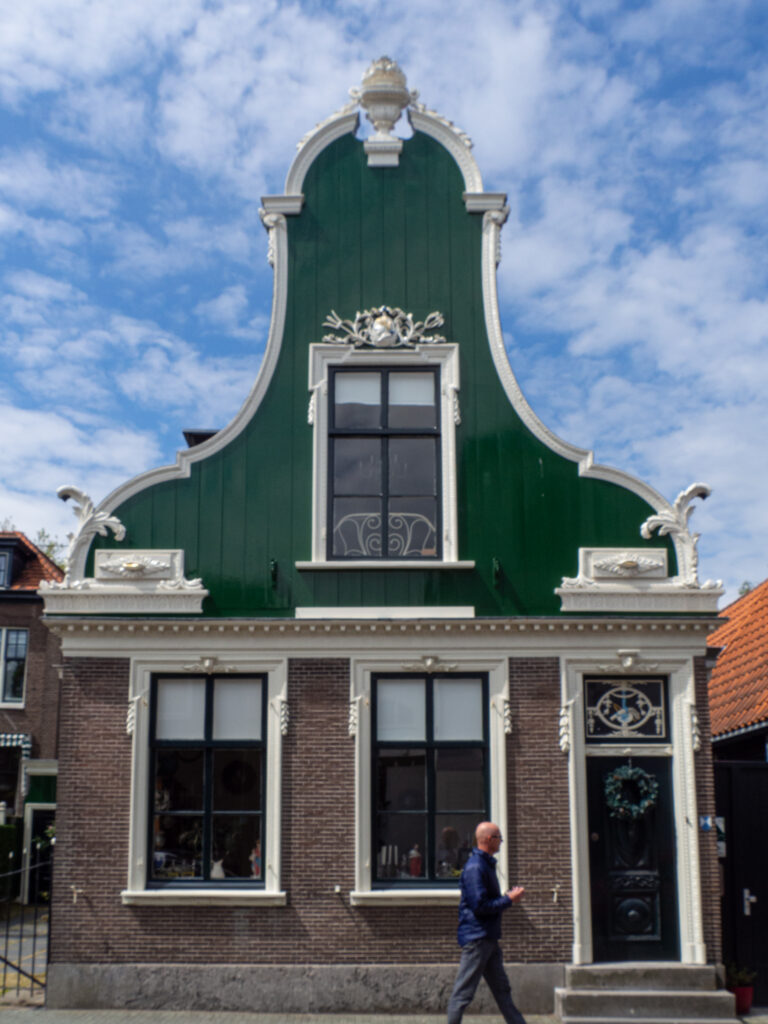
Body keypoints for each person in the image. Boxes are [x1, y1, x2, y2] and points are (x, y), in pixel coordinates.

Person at [446, 821, 527, 1024]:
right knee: (462, 994)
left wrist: (505, 899)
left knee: (502, 990)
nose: (501, 842)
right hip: (477, 938)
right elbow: (480, 906)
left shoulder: (484, 864)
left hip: (488, 937)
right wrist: (508, 899)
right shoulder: (475, 867)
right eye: (499, 838)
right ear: (489, 840)